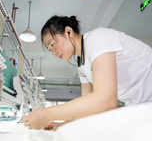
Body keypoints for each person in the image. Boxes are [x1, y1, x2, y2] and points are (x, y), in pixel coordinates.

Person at [22, 15, 152, 131]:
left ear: (68, 31)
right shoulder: (81, 65)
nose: (54, 52)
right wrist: (63, 125)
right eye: (50, 49)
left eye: (53, 44)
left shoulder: (97, 38)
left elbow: (106, 100)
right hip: (140, 107)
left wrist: (47, 114)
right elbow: (89, 108)